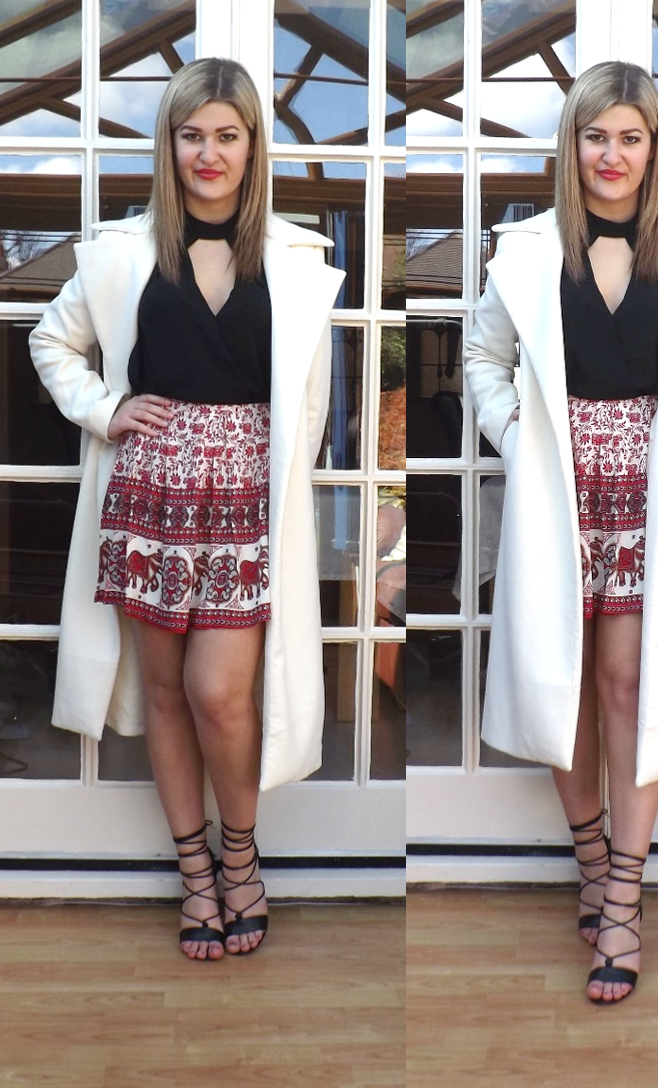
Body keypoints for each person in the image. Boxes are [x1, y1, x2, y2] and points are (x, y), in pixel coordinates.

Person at [29, 58, 344, 960]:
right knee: (166, 691)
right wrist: (107, 410)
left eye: (227, 136)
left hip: (246, 499)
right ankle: (195, 871)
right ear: (168, 146)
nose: (209, 153)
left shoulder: (291, 259)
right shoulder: (124, 251)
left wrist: (279, 488)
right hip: (150, 494)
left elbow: (310, 406)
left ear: (252, 147)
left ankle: (240, 855)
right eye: (191, 135)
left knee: (220, 694)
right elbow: (53, 342)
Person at [464, 60, 658, 1003]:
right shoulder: (525, 251)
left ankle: (623, 893)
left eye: (630, 137)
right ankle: (589, 857)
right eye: (594, 136)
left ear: (653, 150)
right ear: (569, 145)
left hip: (647, 497)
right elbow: (482, 358)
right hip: (557, 493)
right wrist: (514, 433)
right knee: (562, 682)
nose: (611, 155)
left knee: (628, 682)